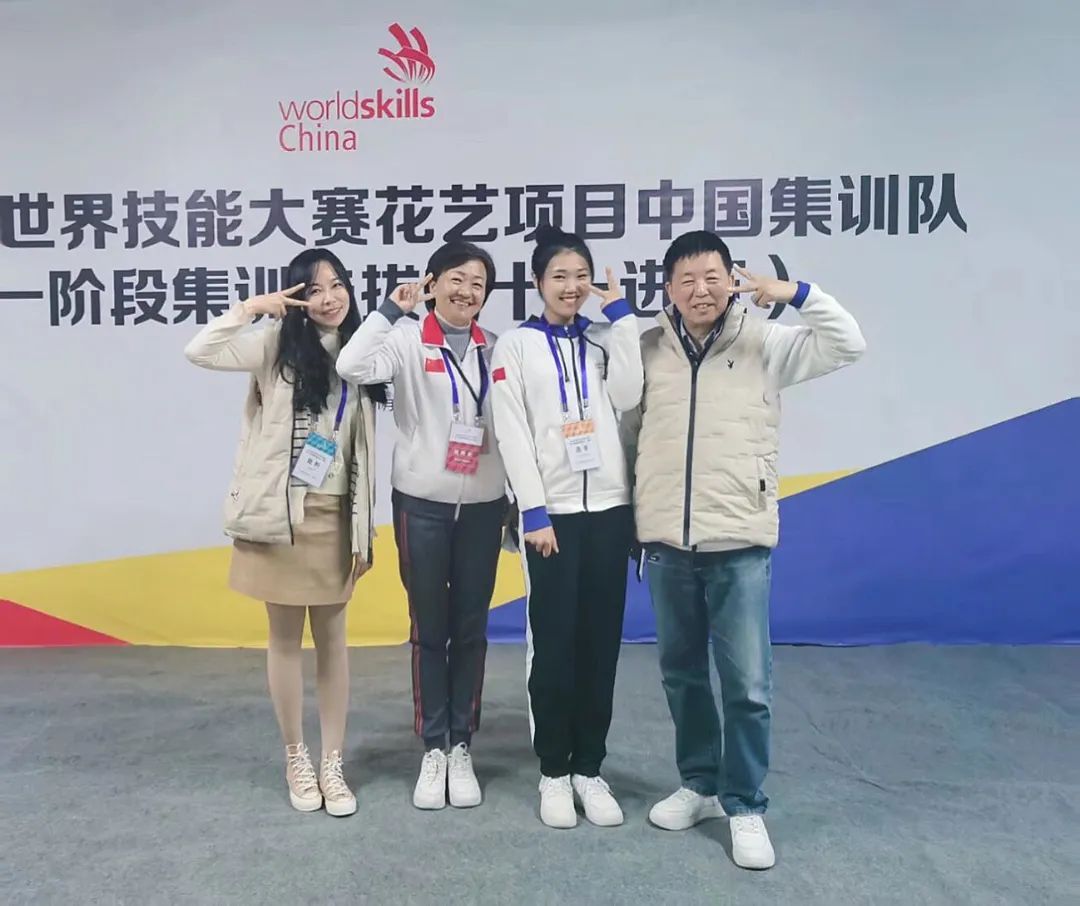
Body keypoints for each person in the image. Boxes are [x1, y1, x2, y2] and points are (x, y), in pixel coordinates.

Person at [621, 230, 866, 868]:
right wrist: (632, 522)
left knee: (748, 684)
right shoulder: (648, 350)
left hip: (739, 541)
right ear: (668, 288)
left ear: (733, 279)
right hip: (667, 543)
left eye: (712, 276)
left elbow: (847, 344)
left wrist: (797, 293)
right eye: (686, 280)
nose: (700, 290)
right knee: (681, 674)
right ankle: (700, 784)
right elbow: (628, 434)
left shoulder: (765, 343)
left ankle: (746, 804)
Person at [184, 248, 378, 818]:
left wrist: (364, 529)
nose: (329, 298)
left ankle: (333, 760)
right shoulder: (275, 345)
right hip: (281, 515)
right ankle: (296, 756)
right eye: (314, 290)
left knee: (334, 640)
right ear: (295, 299)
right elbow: (200, 351)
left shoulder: (361, 349)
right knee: (285, 639)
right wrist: (250, 309)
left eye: (337, 285)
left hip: (337, 514)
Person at [336, 242, 506, 811]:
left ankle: (463, 744)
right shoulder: (407, 340)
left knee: (472, 628)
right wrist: (390, 310)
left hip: (483, 505)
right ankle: (434, 746)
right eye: (456, 279)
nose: (467, 291)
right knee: (429, 629)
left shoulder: (496, 347)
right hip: (422, 505)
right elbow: (351, 366)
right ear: (432, 284)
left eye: (478, 283)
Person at [490, 225, 642, 829]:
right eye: (560, 276)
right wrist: (533, 509)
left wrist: (622, 317)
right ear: (538, 282)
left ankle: (590, 768)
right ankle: (554, 770)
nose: (572, 286)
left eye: (581, 276)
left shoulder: (603, 339)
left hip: (608, 510)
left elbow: (628, 394)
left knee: (600, 645)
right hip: (549, 518)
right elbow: (511, 431)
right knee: (553, 644)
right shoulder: (515, 345)